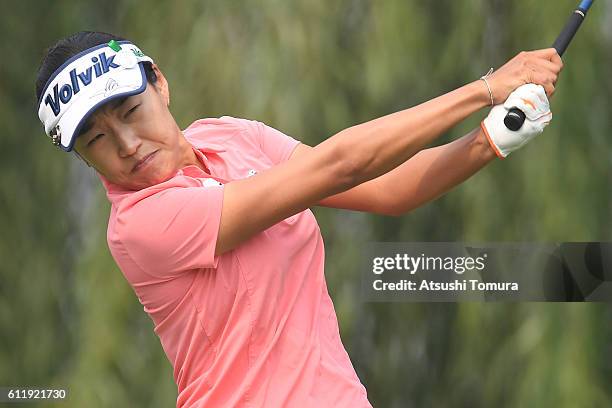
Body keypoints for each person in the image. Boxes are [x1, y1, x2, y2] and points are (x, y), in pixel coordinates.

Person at [35, 31, 562, 407]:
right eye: (97, 139)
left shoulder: (229, 136)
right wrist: (486, 88)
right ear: (82, 156)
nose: (127, 145)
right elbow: (340, 166)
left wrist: (488, 140)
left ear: (160, 84)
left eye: (130, 112)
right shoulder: (141, 226)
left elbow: (383, 189)